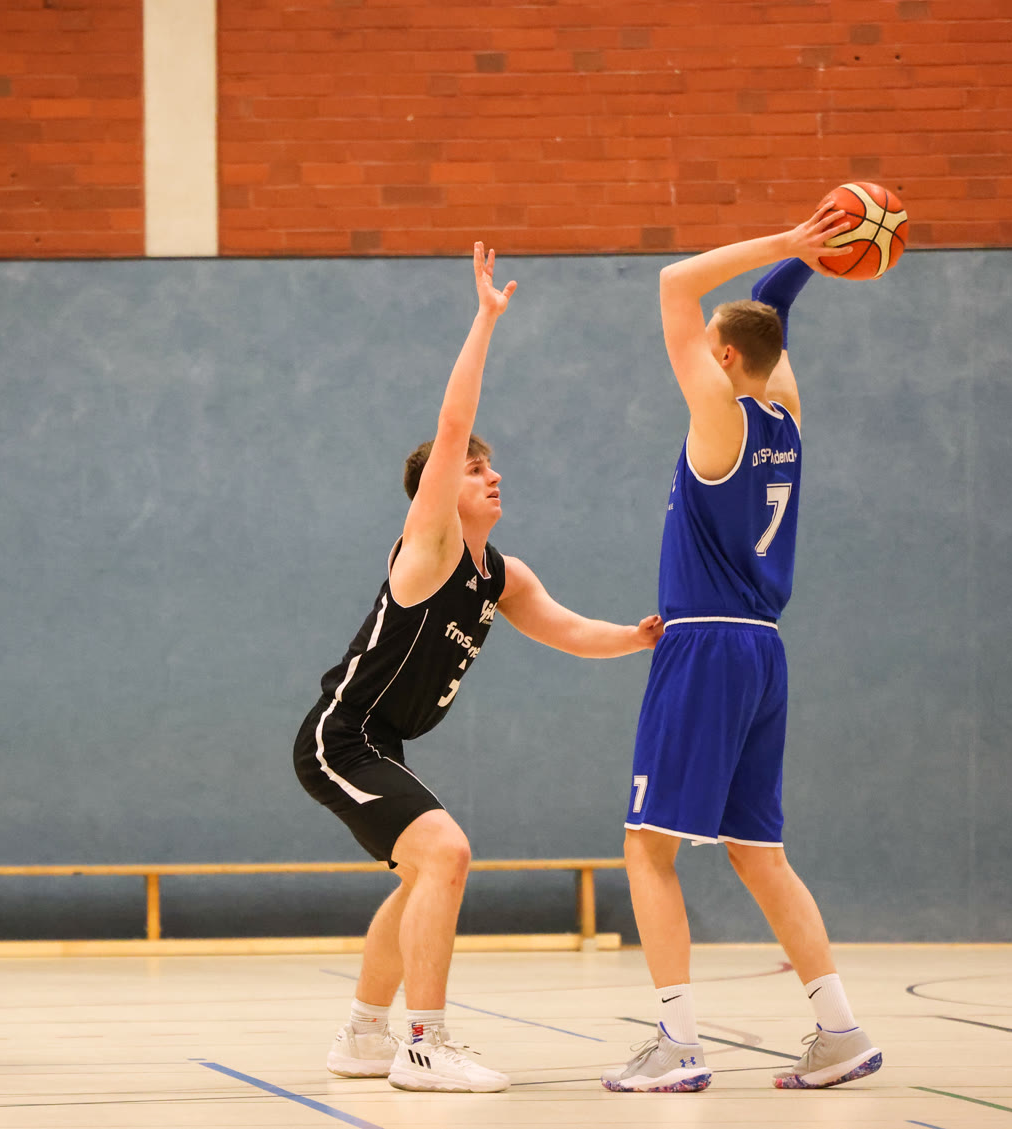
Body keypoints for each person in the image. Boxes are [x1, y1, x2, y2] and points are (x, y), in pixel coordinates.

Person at [297, 245, 664, 1094]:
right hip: (340, 738)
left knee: (425, 871)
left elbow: (570, 630)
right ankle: (424, 1044)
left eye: (491, 466)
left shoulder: (503, 575)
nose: (492, 474)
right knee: (449, 851)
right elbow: (453, 418)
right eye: (473, 467)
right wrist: (485, 319)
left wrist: (639, 637)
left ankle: (362, 1035)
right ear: (438, 488)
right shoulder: (428, 546)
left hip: (382, 743)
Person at [600, 209, 884, 1093]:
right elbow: (766, 315)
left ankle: (678, 1043)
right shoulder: (785, 416)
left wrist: (791, 241)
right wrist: (807, 260)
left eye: (708, 343)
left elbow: (673, 283)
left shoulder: (717, 420)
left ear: (722, 359)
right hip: (763, 651)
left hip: (704, 646)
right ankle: (839, 1030)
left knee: (647, 846)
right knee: (759, 852)